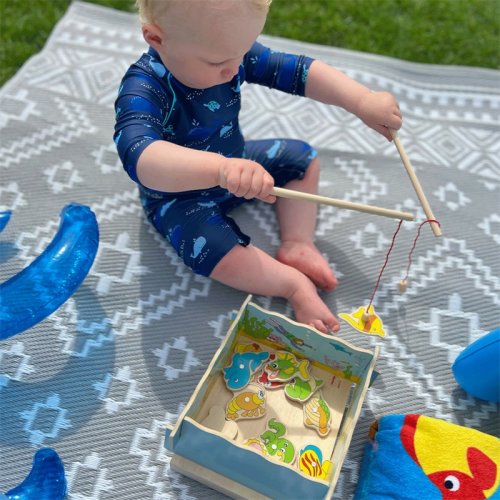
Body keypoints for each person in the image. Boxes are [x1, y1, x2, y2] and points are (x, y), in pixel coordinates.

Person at [114, 0, 402, 333]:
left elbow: (296, 70)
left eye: (243, 52)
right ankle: (292, 285)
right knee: (211, 248)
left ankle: (298, 243)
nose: (235, 69)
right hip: (178, 197)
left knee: (302, 159)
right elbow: (140, 156)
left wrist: (361, 100)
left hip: (238, 167)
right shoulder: (145, 86)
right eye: (218, 62)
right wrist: (219, 169)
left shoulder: (229, 52)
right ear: (156, 38)